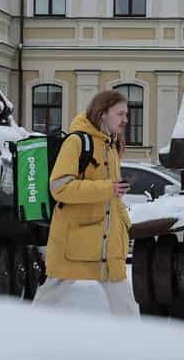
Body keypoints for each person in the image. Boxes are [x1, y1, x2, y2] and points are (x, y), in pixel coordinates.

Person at [32, 89, 140, 317]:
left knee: (126, 306)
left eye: (126, 114)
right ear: (103, 114)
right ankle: (22, 339)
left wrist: (125, 225)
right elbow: (59, 187)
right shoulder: (77, 142)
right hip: (73, 243)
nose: (125, 120)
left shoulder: (111, 146)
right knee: (48, 299)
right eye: (120, 114)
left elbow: (113, 196)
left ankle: (135, 347)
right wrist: (107, 188)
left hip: (106, 244)